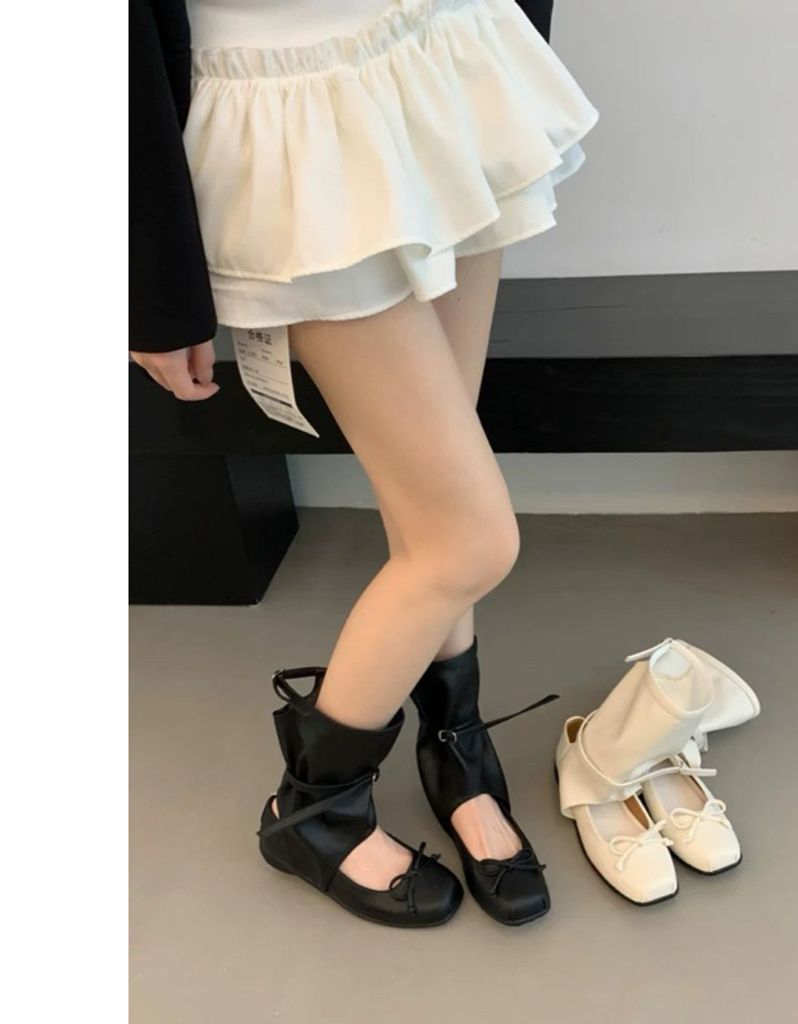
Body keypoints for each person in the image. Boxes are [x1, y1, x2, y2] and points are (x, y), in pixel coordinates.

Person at [129, 0, 597, 928]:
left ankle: (455, 742)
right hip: (288, 108)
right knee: (466, 539)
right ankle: (314, 810)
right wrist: (152, 288)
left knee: (430, 497)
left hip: (442, 53)